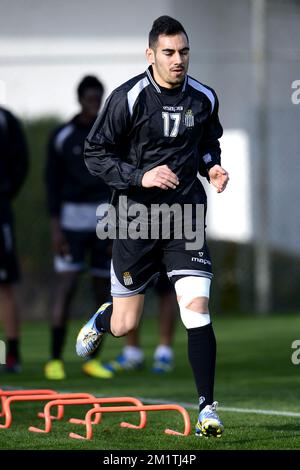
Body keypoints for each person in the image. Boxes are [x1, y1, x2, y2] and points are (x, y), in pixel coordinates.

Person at [76, 16, 229, 437]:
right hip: (135, 219)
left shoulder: (204, 97)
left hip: (184, 218)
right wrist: (139, 176)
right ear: (151, 54)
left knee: (196, 308)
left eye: (183, 52)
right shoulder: (129, 98)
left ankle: (207, 409)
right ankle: (104, 320)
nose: (178, 60)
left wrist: (212, 168)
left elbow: (206, 144)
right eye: (168, 52)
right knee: (127, 323)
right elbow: (95, 153)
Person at [44, 76, 113, 380]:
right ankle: (55, 359)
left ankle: (91, 359)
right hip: (71, 219)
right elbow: (51, 184)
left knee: (103, 290)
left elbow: (117, 181)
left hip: (103, 218)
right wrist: (56, 228)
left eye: (98, 98)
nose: (93, 103)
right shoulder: (63, 136)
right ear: (80, 99)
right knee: (67, 286)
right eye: (89, 98)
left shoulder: (110, 135)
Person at [0, 106, 29, 373]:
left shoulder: (6, 119)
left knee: (4, 284)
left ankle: (11, 354)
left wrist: (7, 191)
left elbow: (21, 160)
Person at [105, 269, 178, 374]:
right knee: (130, 289)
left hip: (162, 253)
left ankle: (164, 354)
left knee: (166, 289)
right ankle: (132, 354)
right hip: (133, 252)